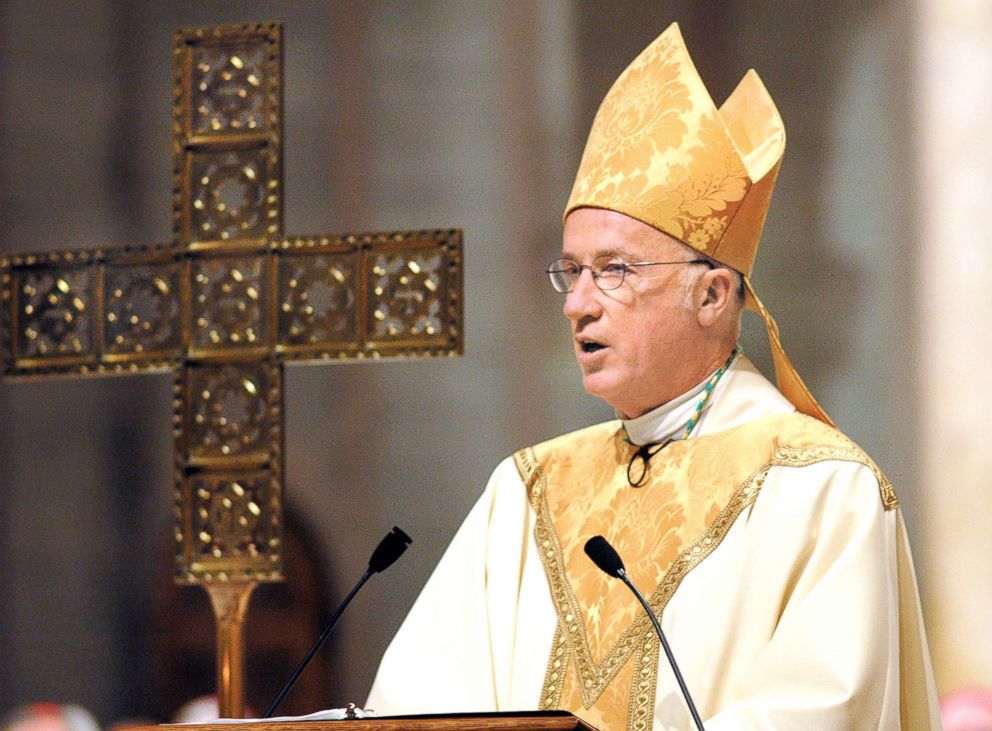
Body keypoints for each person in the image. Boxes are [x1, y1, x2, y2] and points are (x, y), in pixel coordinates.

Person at [366, 23, 940, 730]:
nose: (578, 302)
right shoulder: (524, 492)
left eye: (614, 270)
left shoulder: (823, 490)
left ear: (711, 295)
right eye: (571, 271)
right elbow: (416, 708)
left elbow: (823, 711)